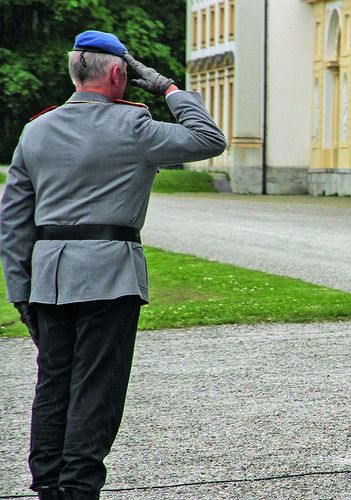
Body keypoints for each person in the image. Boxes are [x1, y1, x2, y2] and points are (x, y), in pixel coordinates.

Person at [0, 30, 226, 500]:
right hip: (109, 275)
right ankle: (79, 489)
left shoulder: (36, 130)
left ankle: (47, 486)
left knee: (53, 385)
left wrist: (20, 291)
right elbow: (209, 138)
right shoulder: (135, 127)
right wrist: (166, 87)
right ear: (121, 73)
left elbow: (14, 222)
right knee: (97, 389)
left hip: (48, 280)